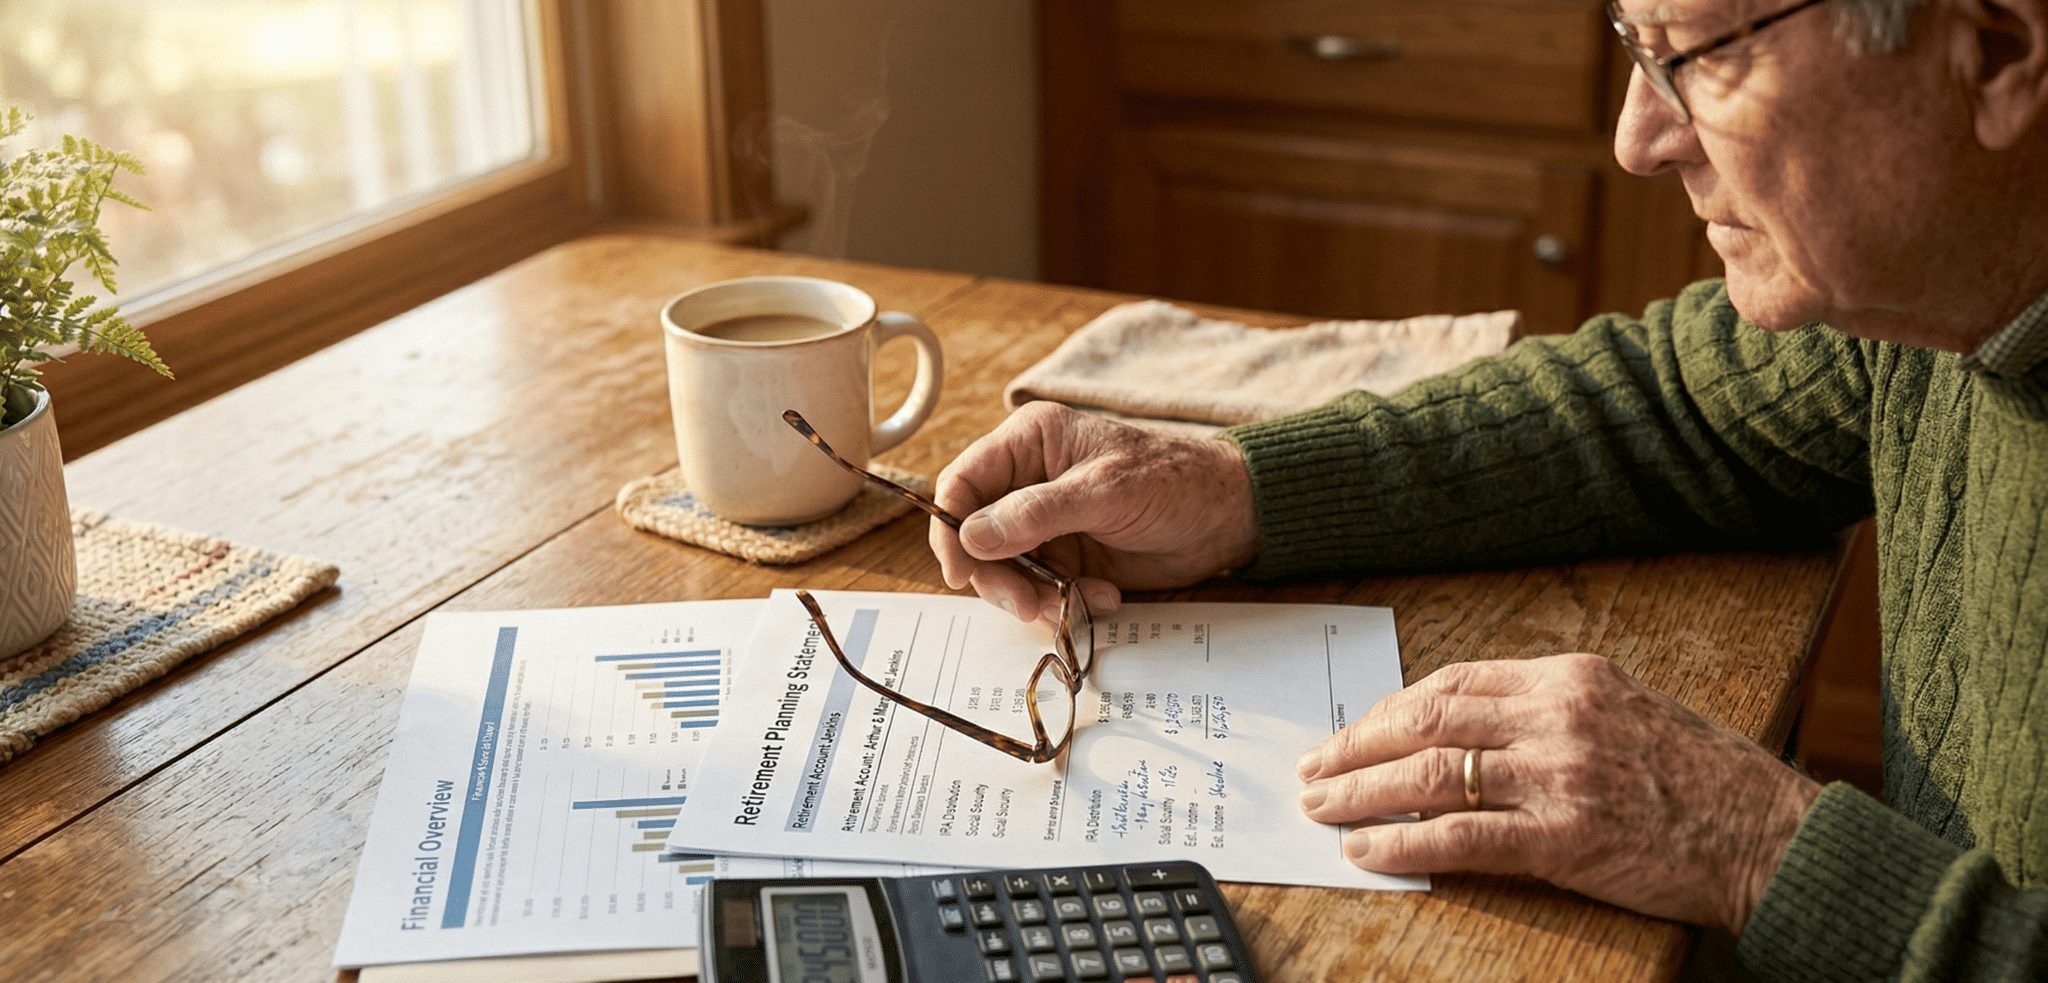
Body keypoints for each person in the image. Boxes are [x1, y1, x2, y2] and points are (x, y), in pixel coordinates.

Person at [926, 0, 2048, 979]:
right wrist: (1235, 485)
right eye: (1630, 42)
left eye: (1693, 55)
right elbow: (1667, 403)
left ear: (1996, 50)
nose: (1637, 138)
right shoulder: (1918, 299)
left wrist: (1755, 843)